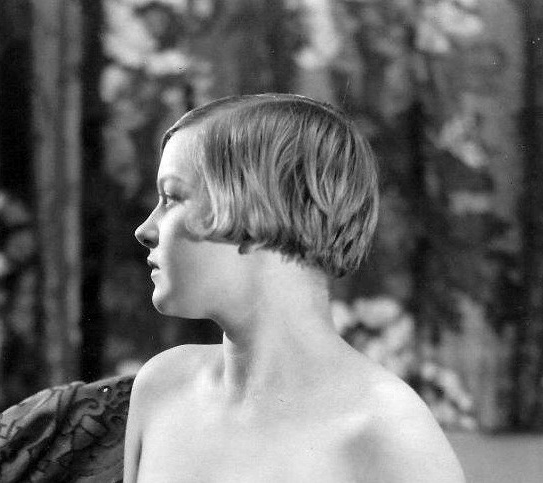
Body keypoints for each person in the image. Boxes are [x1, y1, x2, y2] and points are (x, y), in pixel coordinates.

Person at [126, 93, 465, 482]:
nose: (144, 229)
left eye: (172, 197)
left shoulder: (387, 430)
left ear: (255, 212)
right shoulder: (161, 386)